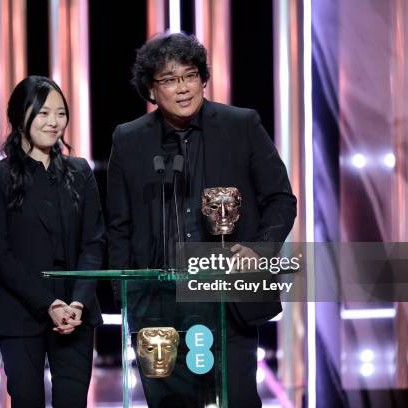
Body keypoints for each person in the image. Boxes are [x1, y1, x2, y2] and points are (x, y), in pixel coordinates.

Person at [107, 33, 296, 407]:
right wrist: (127, 297)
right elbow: (119, 226)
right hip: (158, 302)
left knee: (238, 399)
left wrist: (258, 249)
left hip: (230, 298)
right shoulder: (129, 140)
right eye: (169, 79)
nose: (182, 88)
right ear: (151, 88)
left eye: (190, 76)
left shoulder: (241, 124)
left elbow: (280, 199)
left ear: (203, 78)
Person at [0, 76, 105, 407]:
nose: (54, 122)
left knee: (73, 400)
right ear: (21, 115)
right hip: (20, 312)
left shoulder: (80, 172)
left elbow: (94, 242)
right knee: (27, 399)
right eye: (44, 112)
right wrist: (48, 304)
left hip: (76, 314)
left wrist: (76, 303)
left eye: (60, 113)